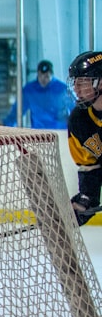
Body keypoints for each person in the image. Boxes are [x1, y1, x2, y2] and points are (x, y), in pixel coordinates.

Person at [66, 51, 102, 227]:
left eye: (82, 83)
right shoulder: (79, 120)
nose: (77, 90)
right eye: (75, 83)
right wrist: (87, 199)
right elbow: (90, 166)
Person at [2, 60, 73, 129]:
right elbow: (17, 111)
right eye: (40, 76)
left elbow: (74, 110)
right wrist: (5, 124)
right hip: (39, 134)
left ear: (52, 74)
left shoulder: (62, 89)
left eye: (46, 76)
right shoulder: (30, 90)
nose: (43, 79)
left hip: (60, 133)